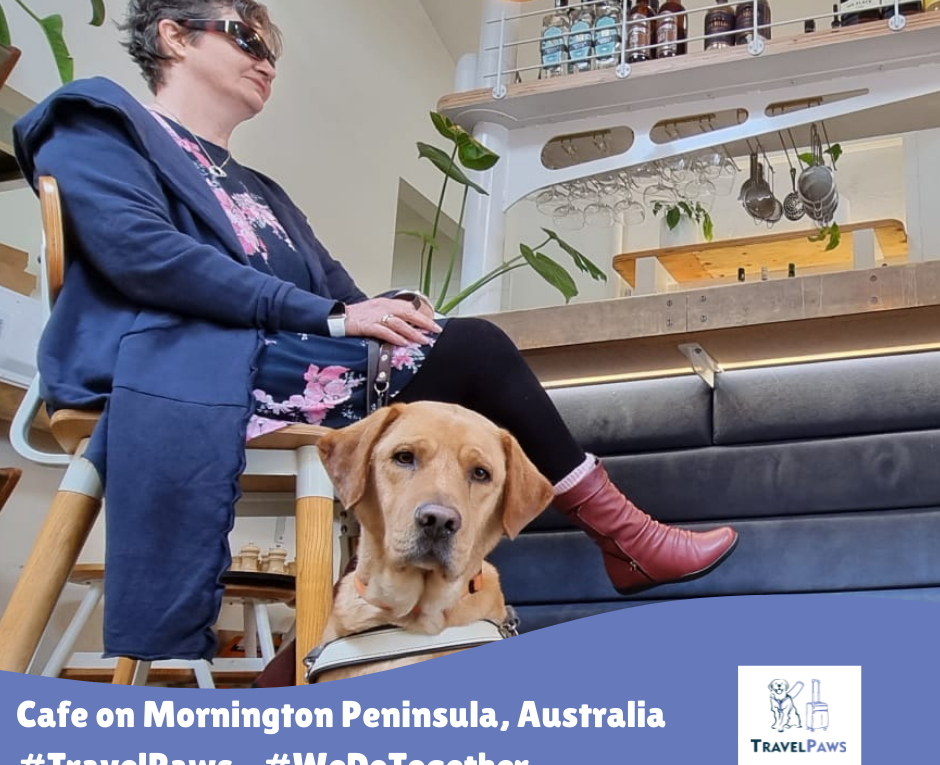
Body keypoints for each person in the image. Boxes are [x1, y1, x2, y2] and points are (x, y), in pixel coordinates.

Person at [12, 0, 737, 664]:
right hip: (175, 364)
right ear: (173, 34)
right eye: (244, 33)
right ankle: (623, 536)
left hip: (272, 366)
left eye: (272, 44)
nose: (265, 55)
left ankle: (317, 661)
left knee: (458, 368)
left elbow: (339, 296)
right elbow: (147, 257)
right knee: (477, 350)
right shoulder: (97, 124)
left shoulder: (262, 192)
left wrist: (391, 313)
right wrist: (335, 319)